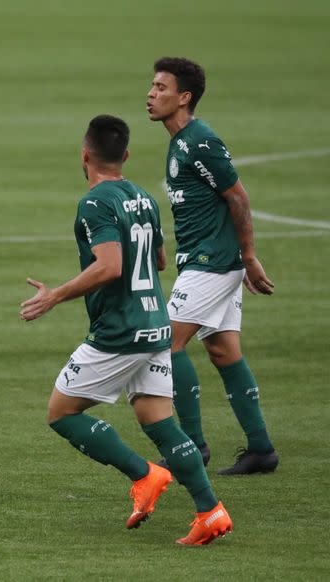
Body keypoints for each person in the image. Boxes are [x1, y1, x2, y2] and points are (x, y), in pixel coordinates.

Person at [20, 115, 232, 545]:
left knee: (61, 413)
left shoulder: (95, 203)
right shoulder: (143, 197)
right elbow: (157, 262)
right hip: (156, 324)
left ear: (84, 154)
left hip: (121, 331)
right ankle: (210, 510)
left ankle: (144, 474)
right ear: (126, 156)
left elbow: (111, 266)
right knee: (159, 422)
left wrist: (54, 296)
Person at [146, 57, 278, 475]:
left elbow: (237, 196)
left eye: (161, 88)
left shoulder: (200, 141)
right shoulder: (178, 141)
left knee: (167, 344)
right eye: (151, 86)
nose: (151, 94)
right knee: (223, 351)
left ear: (184, 97)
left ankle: (193, 446)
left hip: (213, 262)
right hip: (204, 260)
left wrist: (249, 256)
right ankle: (261, 450)